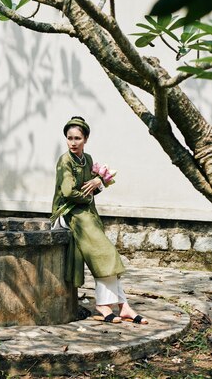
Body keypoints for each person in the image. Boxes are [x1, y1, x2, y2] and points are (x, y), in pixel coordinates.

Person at [51, 115, 148, 325]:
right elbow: (68, 192)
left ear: (86, 139)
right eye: (69, 138)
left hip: (86, 214)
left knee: (106, 255)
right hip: (69, 214)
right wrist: (89, 192)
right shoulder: (64, 161)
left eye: (77, 138)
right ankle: (103, 305)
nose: (73, 142)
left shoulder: (87, 159)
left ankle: (123, 306)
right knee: (104, 253)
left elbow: (92, 189)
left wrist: (98, 181)